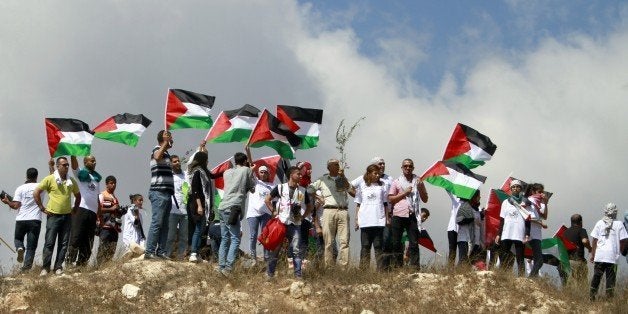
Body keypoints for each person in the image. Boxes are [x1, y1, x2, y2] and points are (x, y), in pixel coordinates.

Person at [33, 157, 81, 275]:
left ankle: (58, 267)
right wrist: (42, 208)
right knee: (49, 242)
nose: (66, 167)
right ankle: (45, 268)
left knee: (64, 244)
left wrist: (75, 208)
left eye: (67, 165)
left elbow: (78, 195)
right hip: (53, 215)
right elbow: (36, 192)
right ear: (58, 166)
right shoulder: (50, 179)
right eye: (63, 165)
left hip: (66, 216)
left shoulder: (71, 181)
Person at [265, 166, 313, 279]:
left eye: (301, 174)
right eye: (298, 174)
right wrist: (274, 211)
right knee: (276, 249)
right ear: (291, 175)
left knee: (296, 250)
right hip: (281, 222)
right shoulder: (280, 187)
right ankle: (270, 274)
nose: (301, 176)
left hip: (295, 224)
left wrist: (303, 217)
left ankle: (298, 275)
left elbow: (310, 206)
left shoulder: (302, 190)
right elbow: (267, 199)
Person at [217, 149, 255, 276]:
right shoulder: (246, 170)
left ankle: (221, 267)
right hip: (234, 207)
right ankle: (228, 268)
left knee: (225, 238)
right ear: (245, 161)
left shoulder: (227, 172)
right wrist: (251, 171)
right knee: (235, 238)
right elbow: (252, 188)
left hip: (222, 206)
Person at [309, 159, 353, 268]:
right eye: (336, 164)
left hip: (343, 210)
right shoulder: (323, 179)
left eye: (338, 164)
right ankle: (329, 267)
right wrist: (319, 197)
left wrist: (343, 177)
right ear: (329, 167)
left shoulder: (341, 179)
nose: (338, 166)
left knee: (344, 241)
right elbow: (309, 189)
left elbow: (352, 192)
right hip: (329, 210)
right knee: (328, 241)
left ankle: (344, 268)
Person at [388, 158, 428, 269]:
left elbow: (425, 199)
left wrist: (420, 189)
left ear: (413, 168)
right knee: (396, 242)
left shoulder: (418, 181)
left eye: (410, 166)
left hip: (413, 215)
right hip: (398, 214)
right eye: (405, 166)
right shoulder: (396, 182)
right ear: (402, 168)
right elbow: (391, 199)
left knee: (414, 243)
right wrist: (404, 193)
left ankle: (415, 268)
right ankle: (397, 267)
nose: (408, 168)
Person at [1, 168, 42, 271]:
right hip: (35, 219)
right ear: (36, 176)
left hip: (21, 219)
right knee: (31, 246)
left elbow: (15, 205)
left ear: (26, 176)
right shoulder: (41, 187)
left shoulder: (20, 188)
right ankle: (26, 268)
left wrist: (7, 201)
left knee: (18, 239)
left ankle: (20, 247)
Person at [145, 130, 175, 260]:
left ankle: (161, 251)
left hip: (167, 194)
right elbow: (157, 157)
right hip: (158, 192)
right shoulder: (157, 149)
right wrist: (164, 142)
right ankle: (149, 251)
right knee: (157, 222)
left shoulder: (167, 154)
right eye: (169, 137)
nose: (172, 140)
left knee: (165, 224)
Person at [589, 203, 628, 301]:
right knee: (610, 279)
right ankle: (609, 300)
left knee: (597, 277)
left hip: (600, 255)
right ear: (615, 212)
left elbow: (594, 240)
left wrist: (593, 255)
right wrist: (619, 250)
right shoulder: (619, 224)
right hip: (612, 257)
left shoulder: (599, 223)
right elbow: (624, 240)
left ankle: (591, 297)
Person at [354, 164, 389, 270]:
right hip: (365, 220)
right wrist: (356, 219)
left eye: (379, 173)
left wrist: (387, 218)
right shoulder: (362, 186)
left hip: (378, 220)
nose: (377, 175)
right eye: (375, 173)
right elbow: (358, 203)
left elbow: (385, 203)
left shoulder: (382, 185)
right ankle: (363, 271)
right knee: (365, 246)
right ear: (369, 173)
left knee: (378, 247)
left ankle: (381, 271)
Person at [495, 180, 531, 276]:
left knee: (520, 257)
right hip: (507, 232)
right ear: (510, 189)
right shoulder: (505, 202)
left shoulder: (525, 202)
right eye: (513, 187)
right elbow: (502, 220)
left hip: (519, 233)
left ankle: (521, 277)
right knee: (504, 255)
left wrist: (527, 234)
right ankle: (502, 275)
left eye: (517, 186)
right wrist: (499, 234)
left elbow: (528, 220)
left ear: (521, 189)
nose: (515, 188)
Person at [187, 151, 213, 263]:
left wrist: (228, 170)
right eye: (206, 159)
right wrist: (199, 206)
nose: (208, 161)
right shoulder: (197, 172)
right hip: (197, 204)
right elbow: (195, 190)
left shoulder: (205, 172)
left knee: (201, 229)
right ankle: (193, 253)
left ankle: (196, 253)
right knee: (197, 228)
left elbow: (214, 175)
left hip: (203, 204)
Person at [246, 165, 275, 263]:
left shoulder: (272, 185)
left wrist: (274, 212)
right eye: (261, 172)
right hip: (253, 213)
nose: (263, 174)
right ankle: (253, 257)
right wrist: (248, 150)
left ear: (268, 174)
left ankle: (266, 257)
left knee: (265, 236)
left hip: (266, 213)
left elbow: (275, 200)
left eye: (265, 172)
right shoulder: (255, 181)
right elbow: (250, 170)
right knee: (253, 235)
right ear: (258, 173)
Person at [166, 154, 188, 261]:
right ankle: (166, 255)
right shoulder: (169, 176)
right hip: (172, 210)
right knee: (170, 236)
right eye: (174, 161)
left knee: (184, 237)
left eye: (178, 161)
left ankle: (180, 257)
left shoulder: (185, 175)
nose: (177, 163)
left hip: (185, 211)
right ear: (170, 164)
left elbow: (187, 190)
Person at [97, 175, 122, 265]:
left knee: (112, 250)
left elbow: (116, 212)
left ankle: (106, 267)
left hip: (114, 227)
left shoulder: (115, 198)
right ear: (106, 184)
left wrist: (120, 212)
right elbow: (97, 209)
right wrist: (111, 209)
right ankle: (99, 268)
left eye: (115, 183)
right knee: (103, 249)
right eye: (111, 183)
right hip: (104, 227)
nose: (113, 185)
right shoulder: (102, 195)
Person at [560, 214, 591, 286]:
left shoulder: (565, 233)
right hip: (578, 262)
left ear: (571, 222)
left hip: (567, 263)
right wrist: (590, 248)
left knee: (569, 284)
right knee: (582, 286)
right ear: (581, 222)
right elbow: (584, 241)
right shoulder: (581, 230)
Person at [526, 183, 548, 277]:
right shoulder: (530, 201)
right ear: (533, 192)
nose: (542, 194)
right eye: (539, 192)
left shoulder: (540, 204)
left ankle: (532, 278)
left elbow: (545, 216)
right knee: (539, 260)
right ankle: (531, 279)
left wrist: (546, 204)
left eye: (542, 192)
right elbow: (529, 217)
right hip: (531, 233)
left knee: (537, 260)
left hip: (537, 235)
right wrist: (541, 223)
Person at [455, 190, 481, 266]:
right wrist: (470, 219)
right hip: (464, 239)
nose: (480, 197)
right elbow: (458, 221)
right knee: (463, 261)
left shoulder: (477, 211)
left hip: (474, 241)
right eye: (478, 196)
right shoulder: (464, 207)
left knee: (470, 263)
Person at [122, 194, 146, 258]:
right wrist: (136, 214)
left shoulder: (140, 215)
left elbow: (140, 229)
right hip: (129, 239)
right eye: (140, 200)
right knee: (130, 253)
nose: (141, 202)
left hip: (137, 239)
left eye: (142, 201)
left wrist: (142, 241)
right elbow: (135, 223)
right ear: (134, 201)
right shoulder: (129, 211)